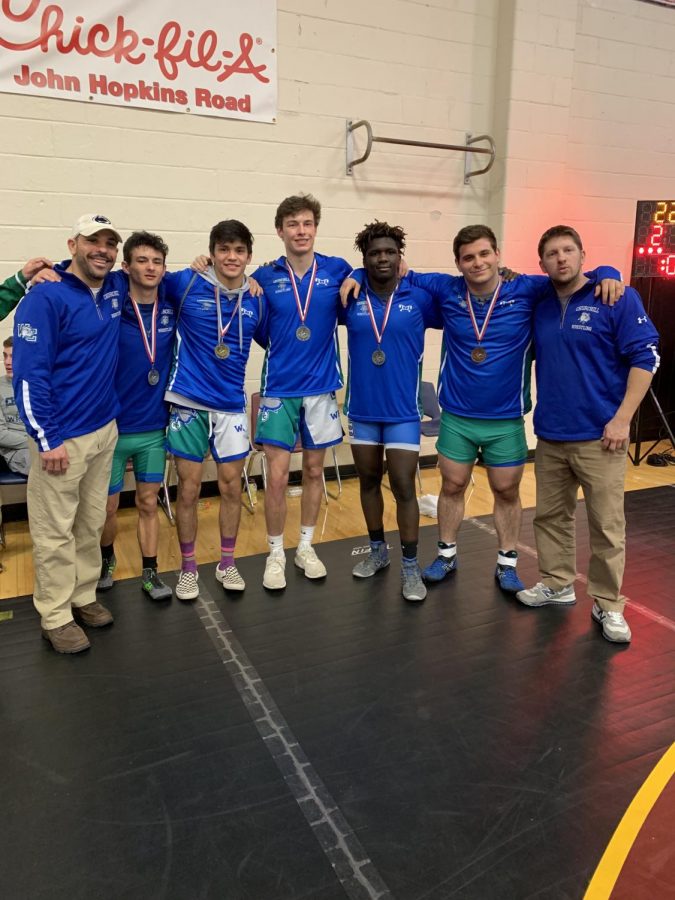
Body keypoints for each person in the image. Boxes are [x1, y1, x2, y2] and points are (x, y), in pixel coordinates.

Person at [383, 225, 623, 594]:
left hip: (506, 420)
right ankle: (446, 554)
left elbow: (572, 277)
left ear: (497, 255)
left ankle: (507, 563)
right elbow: (395, 269)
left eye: (483, 254)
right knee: (452, 485)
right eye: (468, 257)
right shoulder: (446, 289)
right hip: (458, 417)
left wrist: (608, 272)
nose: (477, 262)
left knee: (507, 491)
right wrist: (353, 273)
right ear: (458, 263)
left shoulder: (527, 289)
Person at [517, 226, 659, 644]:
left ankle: (608, 604)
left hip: (603, 437)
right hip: (551, 435)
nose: (561, 259)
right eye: (552, 254)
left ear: (583, 256)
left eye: (568, 251)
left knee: (606, 525)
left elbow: (646, 356)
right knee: (550, 517)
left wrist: (622, 419)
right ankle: (558, 583)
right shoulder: (540, 302)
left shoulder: (613, 296)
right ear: (542, 263)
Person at [13, 213, 122, 654]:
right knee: (53, 529)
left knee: (90, 521)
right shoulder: (44, 297)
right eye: (93, 241)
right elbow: (28, 375)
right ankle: (55, 614)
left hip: (104, 430)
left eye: (110, 243)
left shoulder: (113, 289)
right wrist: (47, 439)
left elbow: (159, 273)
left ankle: (82, 595)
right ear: (72, 243)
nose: (103, 250)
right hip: (61, 438)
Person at [251, 195, 352, 590]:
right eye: (293, 224)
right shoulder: (263, 276)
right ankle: (275, 552)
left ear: (316, 227)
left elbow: (364, 287)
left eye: (307, 223)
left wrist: (360, 274)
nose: (301, 231)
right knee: (276, 478)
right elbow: (258, 328)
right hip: (278, 388)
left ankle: (306, 546)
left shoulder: (338, 269)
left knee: (314, 471)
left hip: (322, 389)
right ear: (280, 230)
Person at [164, 220, 268, 600]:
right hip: (188, 402)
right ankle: (188, 569)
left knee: (230, 487)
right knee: (188, 490)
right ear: (211, 253)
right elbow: (139, 276)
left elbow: (277, 337)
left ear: (249, 256)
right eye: (223, 249)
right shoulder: (185, 283)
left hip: (230, 407)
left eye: (239, 250)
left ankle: (227, 563)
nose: (231, 257)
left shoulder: (257, 297)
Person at [341, 222, 440, 601]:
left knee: (402, 486)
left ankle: (411, 566)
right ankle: (378, 551)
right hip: (363, 409)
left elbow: (460, 293)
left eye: (389, 252)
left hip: (402, 411)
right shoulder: (349, 296)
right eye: (374, 253)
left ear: (400, 256)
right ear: (364, 260)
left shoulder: (419, 297)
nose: (382, 258)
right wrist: (350, 275)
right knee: (367, 482)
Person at [97, 232, 176, 601]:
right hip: (112, 428)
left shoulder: (172, 303)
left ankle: (150, 572)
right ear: (126, 266)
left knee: (148, 502)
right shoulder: (112, 300)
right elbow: (83, 270)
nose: (150, 268)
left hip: (153, 429)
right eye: (141, 261)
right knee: (108, 507)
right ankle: (105, 561)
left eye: (156, 261)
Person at [0, 338, 30, 475]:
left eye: (13, 356)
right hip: (17, 450)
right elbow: (1, 434)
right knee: (47, 465)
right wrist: (34, 444)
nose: (7, 362)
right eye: (5, 356)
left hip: (44, 443)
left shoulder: (37, 384)